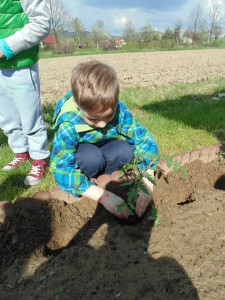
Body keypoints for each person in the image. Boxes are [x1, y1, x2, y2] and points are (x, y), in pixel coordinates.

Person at [50, 61, 158, 219]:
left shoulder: (118, 109)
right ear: (77, 105)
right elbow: (61, 167)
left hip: (105, 147)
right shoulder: (68, 124)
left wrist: (148, 180)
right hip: (84, 154)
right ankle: (88, 185)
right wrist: (102, 196)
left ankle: (106, 180)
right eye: (93, 119)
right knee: (91, 158)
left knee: (125, 151)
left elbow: (144, 141)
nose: (102, 124)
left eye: (108, 116)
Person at [0, 0, 51, 186]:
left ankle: (39, 159)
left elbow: (41, 23)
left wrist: (5, 47)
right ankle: (21, 152)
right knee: (6, 117)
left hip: (20, 63)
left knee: (31, 118)